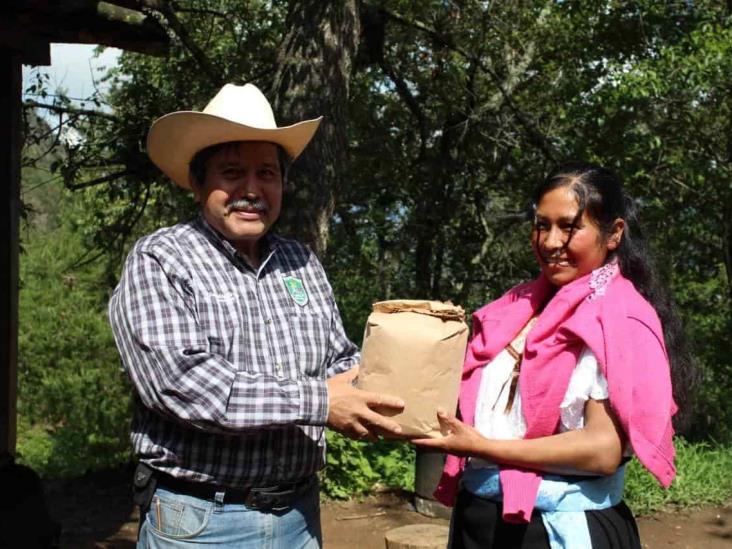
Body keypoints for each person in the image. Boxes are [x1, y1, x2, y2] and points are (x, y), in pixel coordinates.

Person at [109, 83, 404, 548]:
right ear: (198, 183)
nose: (251, 189)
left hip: (300, 517)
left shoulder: (299, 262)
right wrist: (322, 402)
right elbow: (184, 386)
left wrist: (404, 388)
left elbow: (337, 361)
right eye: (232, 172)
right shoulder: (162, 259)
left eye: (267, 173)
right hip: (202, 522)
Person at [413, 163, 694, 548]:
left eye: (569, 226)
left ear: (613, 234)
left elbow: (601, 451)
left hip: (559, 528)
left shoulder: (618, 321)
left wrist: (481, 448)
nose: (549, 241)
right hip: (480, 519)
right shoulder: (514, 308)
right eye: (542, 225)